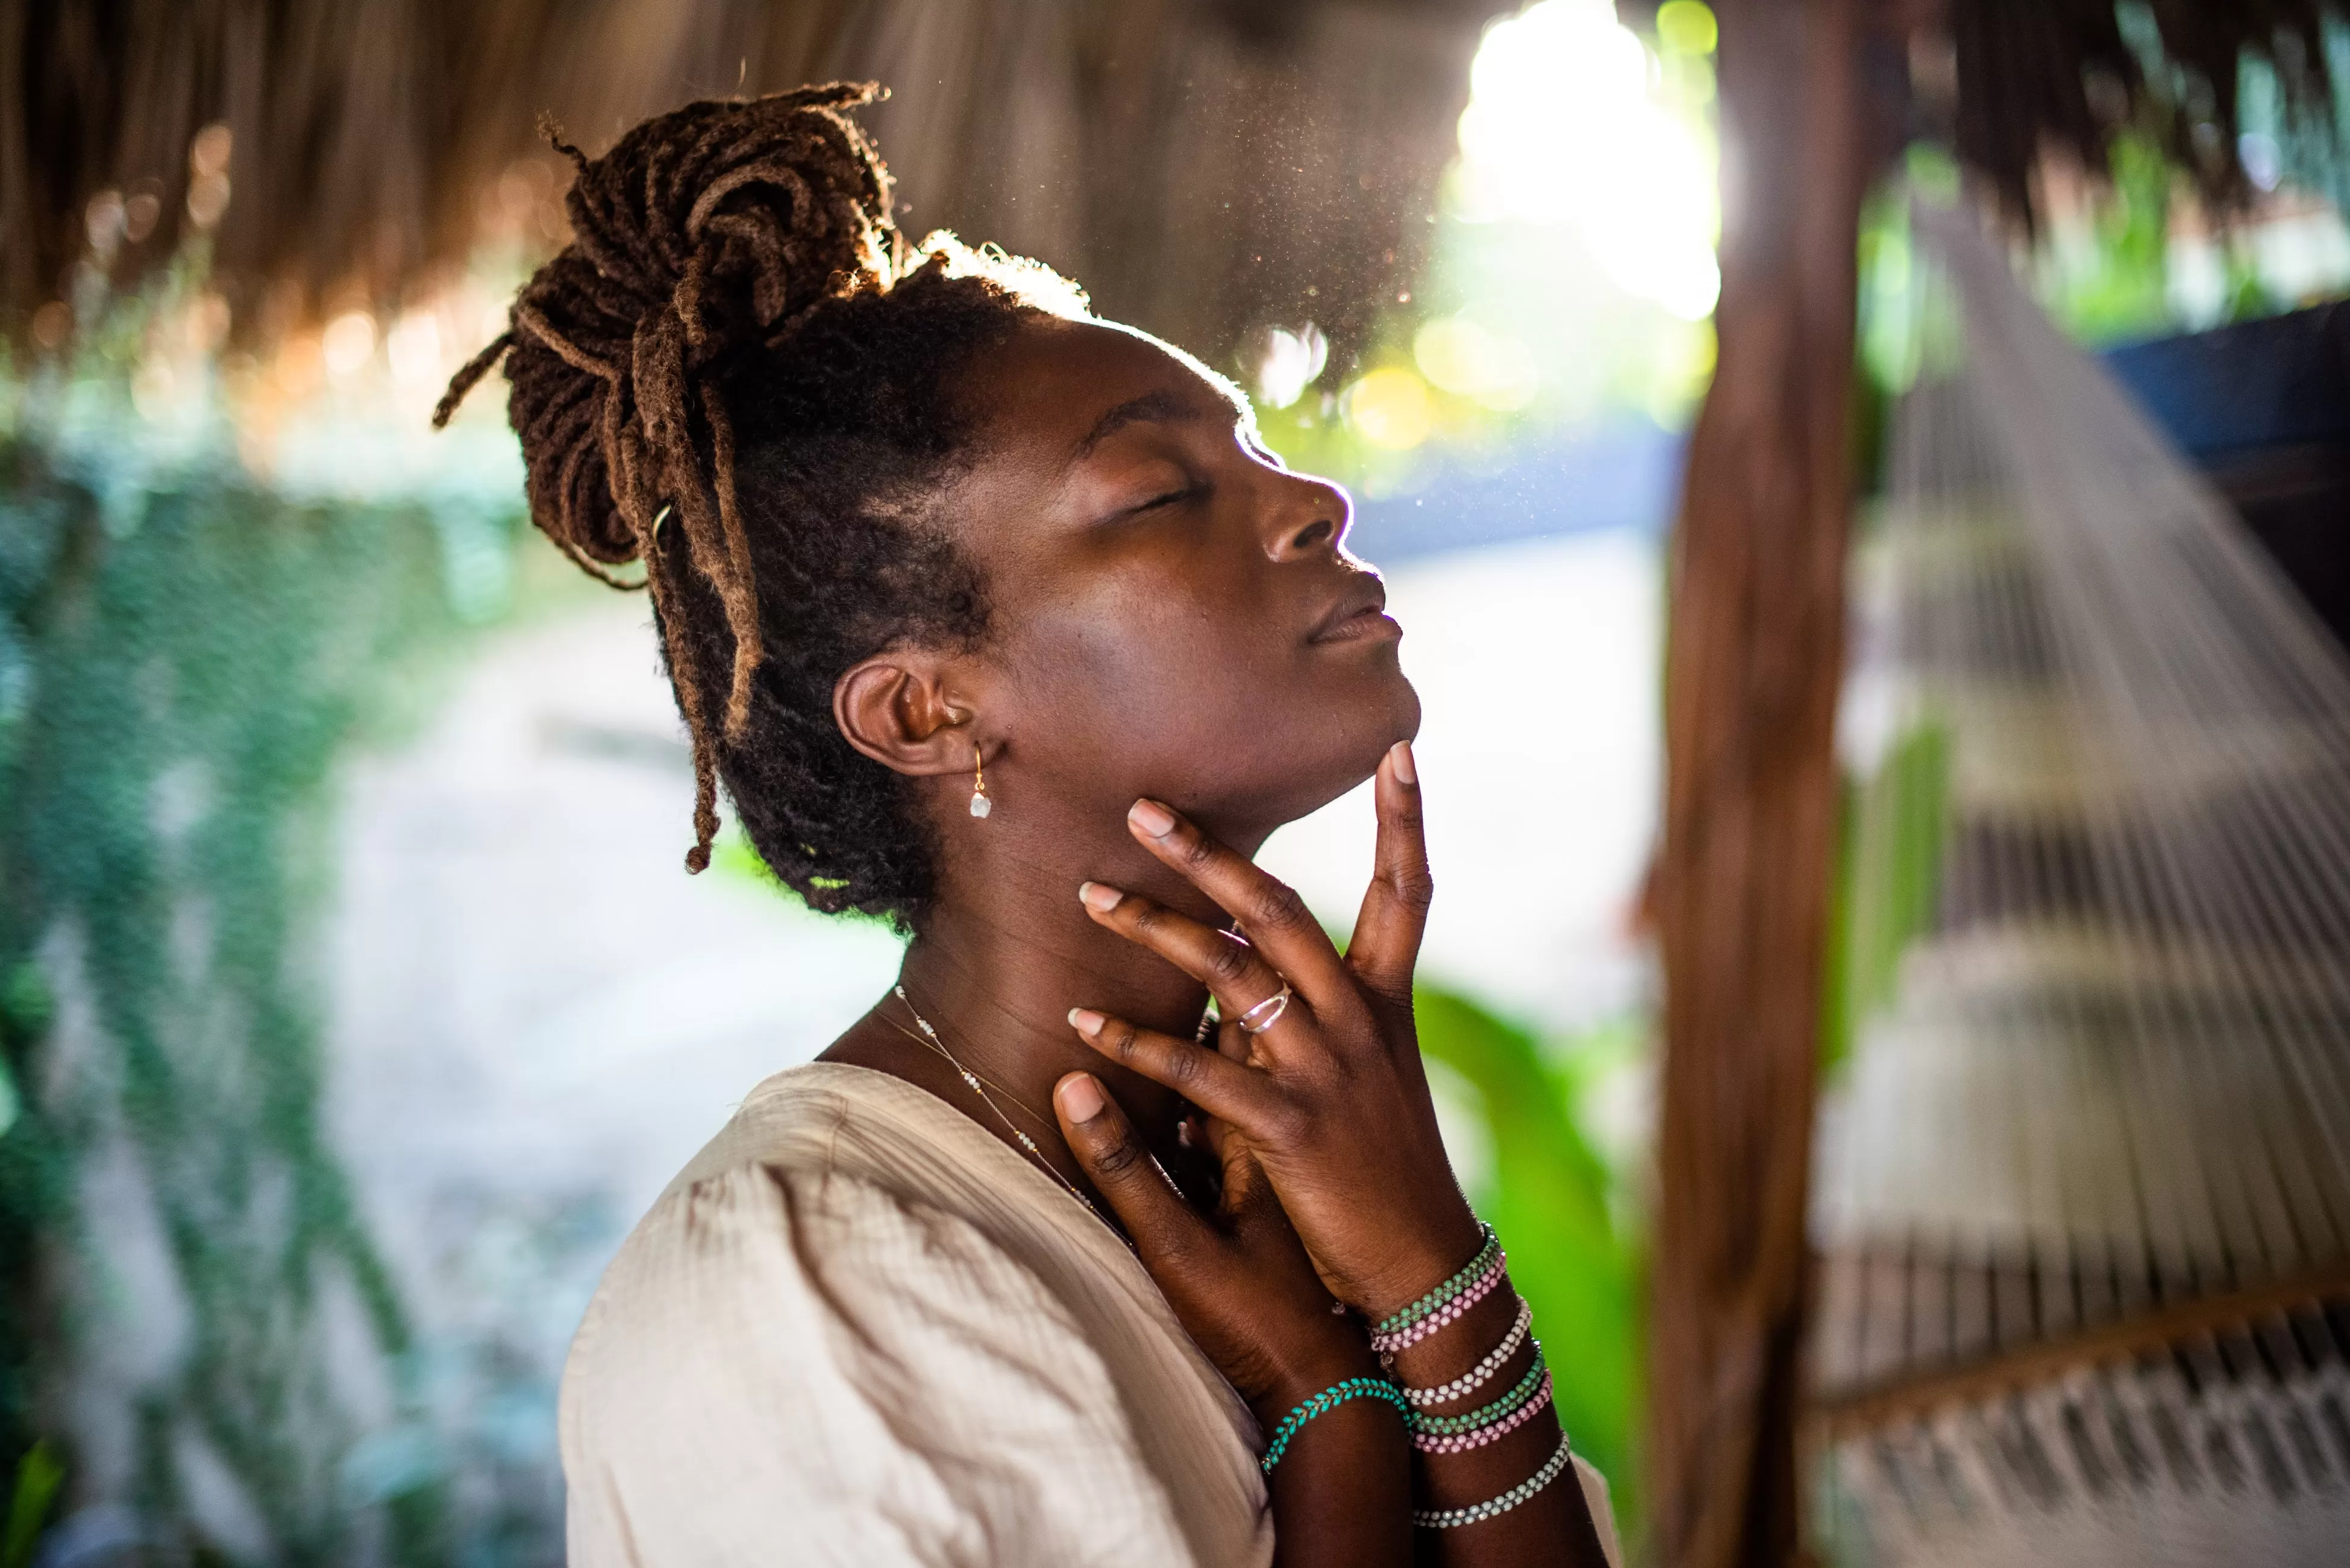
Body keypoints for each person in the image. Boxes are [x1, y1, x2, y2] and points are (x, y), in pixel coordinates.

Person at [437, 83, 1622, 1568]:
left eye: (1255, 448)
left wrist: (1428, 1271)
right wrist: (1335, 1416)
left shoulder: (1303, 1178)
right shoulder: (799, 1287)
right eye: (1161, 491)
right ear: (928, 713)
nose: (1313, 499)